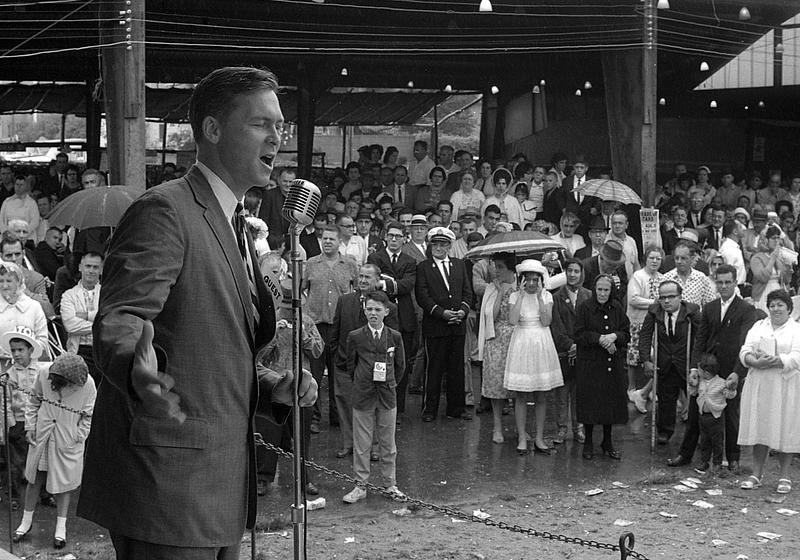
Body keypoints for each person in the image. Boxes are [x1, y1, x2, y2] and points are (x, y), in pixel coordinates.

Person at [77, 67, 317, 559]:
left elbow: (208, 344)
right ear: (211, 130)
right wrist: (145, 379)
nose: (277, 137)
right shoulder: (165, 211)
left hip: (220, 486)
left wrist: (273, 386)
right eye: (260, 124)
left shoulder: (238, 225)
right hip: (166, 486)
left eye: (281, 126)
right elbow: (120, 323)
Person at [668, 264, 757, 470]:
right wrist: (694, 368)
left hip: (730, 367)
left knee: (731, 414)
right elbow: (700, 340)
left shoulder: (746, 309)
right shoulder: (709, 307)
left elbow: (746, 343)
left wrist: (737, 371)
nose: (724, 286)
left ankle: (733, 458)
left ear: (735, 283)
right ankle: (685, 454)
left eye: (728, 282)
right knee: (695, 411)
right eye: (720, 282)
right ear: (715, 283)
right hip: (707, 368)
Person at [13, 353, 96, 549]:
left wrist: (79, 436)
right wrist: (30, 427)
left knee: (64, 485)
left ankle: (61, 527)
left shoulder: (88, 384)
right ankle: (25, 522)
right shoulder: (44, 373)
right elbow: (33, 402)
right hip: (43, 434)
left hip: (67, 439)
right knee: (34, 479)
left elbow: (89, 416)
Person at [342, 291, 406, 503]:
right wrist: (360, 381)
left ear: (386, 312)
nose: (373, 313)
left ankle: (390, 484)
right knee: (362, 444)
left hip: (387, 395)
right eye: (369, 309)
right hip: (363, 394)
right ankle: (360, 485)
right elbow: (351, 364)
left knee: (388, 444)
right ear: (364, 310)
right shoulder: (356, 336)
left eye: (378, 309)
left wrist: (391, 382)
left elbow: (400, 365)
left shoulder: (394, 336)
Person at [329, 264, 399, 457]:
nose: (363, 280)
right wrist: (338, 356)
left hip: (373, 369)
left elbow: (393, 340)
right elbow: (335, 334)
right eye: (360, 276)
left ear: (377, 281)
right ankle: (348, 443)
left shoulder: (388, 308)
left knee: (373, 408)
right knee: (344, 404)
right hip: (344, 364)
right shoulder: (344, 301)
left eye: (368, 277)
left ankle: (374, 447)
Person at [738, 290, 800, 494]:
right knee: (760, 426)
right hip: (759, 384)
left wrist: (777, 360)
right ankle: (756, 474)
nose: (775, 309)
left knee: (784, 428)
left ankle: (784, 476)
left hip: (784, 385)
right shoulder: (758, 326)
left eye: (780, 305)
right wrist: (754, 361)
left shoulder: (795, 329)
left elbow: (797, 357)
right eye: (772, 305)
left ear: (789, 308)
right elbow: (745, 350)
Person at [504, 259, 563, 455]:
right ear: (522, 281)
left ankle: (538, 437)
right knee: (521, 394)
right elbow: (512, 320)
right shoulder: (514, 296)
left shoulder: (546, 296)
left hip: (541, 341)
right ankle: (522, 436)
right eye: (527, 280)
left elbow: (546, 321)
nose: (531, 283)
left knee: (541, 393)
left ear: (540, 280)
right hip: (522, 341)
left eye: (535, 279)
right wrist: (521, 296)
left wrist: (538, 298)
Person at [415, 226, 473, 422]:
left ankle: (456, 408)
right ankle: (429, 409)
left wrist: (462, 312)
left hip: (457, 326)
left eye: (443, 244)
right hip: (436, 326)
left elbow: (467, 292)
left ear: (449, 246)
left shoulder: (459, 265)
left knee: (457, 368)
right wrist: (442, 313)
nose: (438, 247)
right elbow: (422, 296)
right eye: (435, 244)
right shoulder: (424, 267)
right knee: (434, 368)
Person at [575, 274, 630, 460]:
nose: (602, 293)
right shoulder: (584, 308)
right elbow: (579, 334)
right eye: (599, 289)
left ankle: (607, 442)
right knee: (590, 404)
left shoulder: (617, 308)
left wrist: (614, 336)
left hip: (611, 364)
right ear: (594, 289)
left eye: (606, 290)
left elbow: (626, 333)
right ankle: (588, 442)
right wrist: (600, 339)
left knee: (609, 405)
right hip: (591, 364)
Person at [638, 280, 700, 444]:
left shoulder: (691, 312)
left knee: (695, 400)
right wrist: (646, 360)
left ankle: (698, 433)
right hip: (665, 363)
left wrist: (696, 365)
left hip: (686, 363)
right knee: (665, 400)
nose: (666, 301)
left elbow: (700, 339)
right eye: (662, 297)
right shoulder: (654, 311)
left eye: (671, 297)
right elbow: (645, 336)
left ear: (680, 297)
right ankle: (665, 431)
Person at [0, 325, 45, 509]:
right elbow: (6, 401)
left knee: (40, 460)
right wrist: (8, 422)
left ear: (30, 350)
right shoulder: (9, 375)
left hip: (36, 421)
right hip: (18, 422)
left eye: (21, 349)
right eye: (13, 350)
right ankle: (13, 496)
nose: (17, 354)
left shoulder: (41, 371)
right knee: (16, 462)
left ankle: (45, 493)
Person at [549, 258, 591, 444]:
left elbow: (591, 324)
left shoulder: (589, 295)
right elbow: (556, 327)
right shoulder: (556, 297)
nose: (573, 275)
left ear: (581, 274)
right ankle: (561, 428)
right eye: (570, 271)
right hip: (564, 353)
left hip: (584, 352)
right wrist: (570, 346)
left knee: (580, 393)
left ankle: (579, 427)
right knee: (562, 393)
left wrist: (581, 345)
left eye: (576, 271)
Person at [477, 252, 515, 444]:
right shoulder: (492, 288)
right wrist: (500, 292)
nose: (496, 270)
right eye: (494, 266)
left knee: (518, 385)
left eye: (500, 266)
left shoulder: (522, 286)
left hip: (517, 340)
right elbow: (491, 316)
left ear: (510, 268)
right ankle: (497, 426)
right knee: (496, 385)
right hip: (497, 339)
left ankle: (520, 427)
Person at [625, 245, 664, 414]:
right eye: (651, 258)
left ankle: (650, 389)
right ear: (645, 259)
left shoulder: (662, 277)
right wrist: (654, 303)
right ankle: (632, 389)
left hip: (655, 322)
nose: (654, 261)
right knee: (634, 356)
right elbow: (633, 299)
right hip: (637, 320)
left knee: (654, 355)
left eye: (658, 258)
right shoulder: (638, 276)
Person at [687, 353, 738, 474]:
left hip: (716, 417)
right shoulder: (700, 382)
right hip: (703, 416)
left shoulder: (721, 383)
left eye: (698, 369)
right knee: (704, 441)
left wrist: (731, 388)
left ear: (706, 372)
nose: (697, 372)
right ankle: (704, 462)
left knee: (717, 442)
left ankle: (717, 463)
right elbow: (693, 393)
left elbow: (730, 395)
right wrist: (691, 385)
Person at [60, 252, 103, 383]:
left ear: (101, 269)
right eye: (88, 266)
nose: (91, 270)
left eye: (95, 267)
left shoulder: (108, 294)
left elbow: (113, 320)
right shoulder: (69, 295)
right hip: (80, 351)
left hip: (103, 350)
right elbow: (70, 325)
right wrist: (100, 323)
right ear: (80, 267)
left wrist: (86, 316)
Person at [0, 262, 48, 360]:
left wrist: (25, 354)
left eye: (9, 281)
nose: (4, 286)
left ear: (18, 282)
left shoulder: (34, 306)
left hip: (30, 365)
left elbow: (42, 340)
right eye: (1, 281)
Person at [750, 226, 793, 311]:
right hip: (763, 294)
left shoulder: (779, 257)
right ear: (765, 240)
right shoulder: (756, 258)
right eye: (773, 238)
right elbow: (763, 277)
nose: (776, 241)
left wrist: (788, 267)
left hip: (778, 294)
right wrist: (772, 258)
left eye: (778, 238)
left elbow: (786, 280)